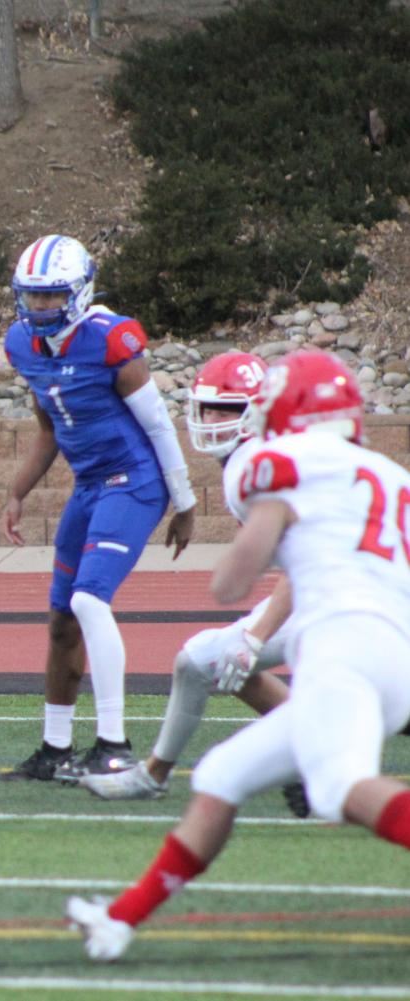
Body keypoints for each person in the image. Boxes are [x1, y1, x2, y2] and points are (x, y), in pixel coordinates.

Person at [68, 350, 410, 961]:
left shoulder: (277, 465)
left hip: (342, 643)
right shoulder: (389, 473)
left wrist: (239, 576)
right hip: (394, 651)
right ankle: (119, 920)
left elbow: (233, 581)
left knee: (340, 790)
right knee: (223, 776)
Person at [0, 234, 197, 784]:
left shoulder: (111, 340)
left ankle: (115, 744)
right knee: (61, 620)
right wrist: (18, 491)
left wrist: (185, 501)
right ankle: (55, 750)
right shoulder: (22, 345)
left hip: (134, 480)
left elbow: (158, 424)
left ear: (81, 291)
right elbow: (48, 428)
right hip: (89, 485)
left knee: (88, 599)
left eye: (51, 296)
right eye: (32, 297)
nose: (39, 308)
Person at [80, 352, 302, 812]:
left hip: (355, 594)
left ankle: (314, 756)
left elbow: (308, 569)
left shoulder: (256, 466)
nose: (213, 419)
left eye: (228, 409)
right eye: (208, 408)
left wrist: (256, 638)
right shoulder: (279, 455)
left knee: (215, 660)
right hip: (348, 589)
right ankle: (310, 752)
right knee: (206, 660)